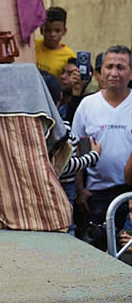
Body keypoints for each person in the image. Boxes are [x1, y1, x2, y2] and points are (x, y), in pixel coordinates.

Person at [72, 45, 132, 236]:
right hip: (96, 195)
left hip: (129, 197)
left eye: (121, 68)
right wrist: (80, 190)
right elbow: (78, 149)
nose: (114, 73)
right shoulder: (88, 105)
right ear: (101, 71)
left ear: (131, 73)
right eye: (109, 66)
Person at [42, 70, 101, 235]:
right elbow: (64, 166)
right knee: (65, 228)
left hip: (48, 190)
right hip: (62, 189)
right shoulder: (61, 128)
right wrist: (93, 156)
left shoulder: (31, 128)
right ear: (60, 97)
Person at [35, 6, 76, 78]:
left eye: (57, 31)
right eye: (48, 30)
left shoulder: (69, 56)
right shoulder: (33, 46)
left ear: (64, 31)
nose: (52, 34)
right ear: (41, 30)